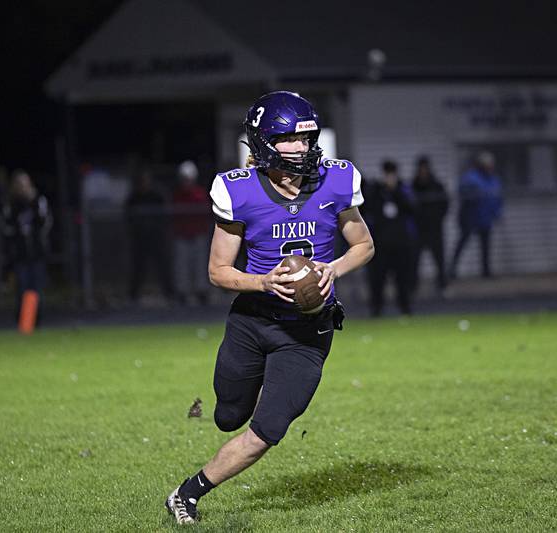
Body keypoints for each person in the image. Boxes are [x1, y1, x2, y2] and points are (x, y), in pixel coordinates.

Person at [164, 91, 374, 524]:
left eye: (306, 138)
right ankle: (253, 386)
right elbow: (218, 272)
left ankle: (186, 495)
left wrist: (332, 269)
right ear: (262, 142)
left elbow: (365, 245)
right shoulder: (237, 189)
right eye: (289, 140)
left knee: (265, 431)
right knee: (227, 417)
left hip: (307, 332)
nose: (301, 148)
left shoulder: (335, 180)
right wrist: (263, 281)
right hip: (252, 321)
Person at [362, 160, 416, 316]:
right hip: (381, 242)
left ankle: (405, 307)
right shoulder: (376, 191)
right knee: (378, 278)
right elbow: (367, 209)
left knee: (402, 278)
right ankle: (376, 308)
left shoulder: (403, 189)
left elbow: (412, 208)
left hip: (401, 243)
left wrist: (396, 192)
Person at [3, 169, 52, 318]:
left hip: (37, 251)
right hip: (20, 252)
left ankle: (38, 318)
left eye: (25, 183)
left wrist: (32, 203)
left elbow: (45, 222)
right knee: (22, 287)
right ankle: (25, 320)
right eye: (20, 184)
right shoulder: (12, 203)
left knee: (36, 287)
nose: (23, 187)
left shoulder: (38, 200)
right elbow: (7, 226)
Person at [450, 151, 503, 279]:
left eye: (490, 165)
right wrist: (474, 194)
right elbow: (463, 191)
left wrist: (497, 212)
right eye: (486, 165)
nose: (489, 167)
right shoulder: (471, 177)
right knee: (463, 241)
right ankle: (452, 269)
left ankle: (486, 271)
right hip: (470, 215)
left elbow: (497, 198)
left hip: (485, 216)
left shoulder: (494, 180)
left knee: (485, 245)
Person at [125, 167, 173, 304]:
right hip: (140, 239)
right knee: (138, 267)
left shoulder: (156, 196)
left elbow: (164, 215)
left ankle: (170, 293)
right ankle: (133, 295)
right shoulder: (134, 197)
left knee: (162, 265)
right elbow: (128, 217)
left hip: (156, 237)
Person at [171, 160, 212, 306]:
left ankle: (202, 292)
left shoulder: (199, 194)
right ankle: (183, 293)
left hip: (198, 234)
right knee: (182, 266)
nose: (186, 182)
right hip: (182, 235)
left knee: (200, 266)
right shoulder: (177, 195)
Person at [410, 156, 448, 295]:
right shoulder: (413, 186)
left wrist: (437, 218)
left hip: (434, 229)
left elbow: (445, 205)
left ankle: (442, 286)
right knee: (414, 260)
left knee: (439, 260)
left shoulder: (437, 185)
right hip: (419, 229)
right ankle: (412, 287)